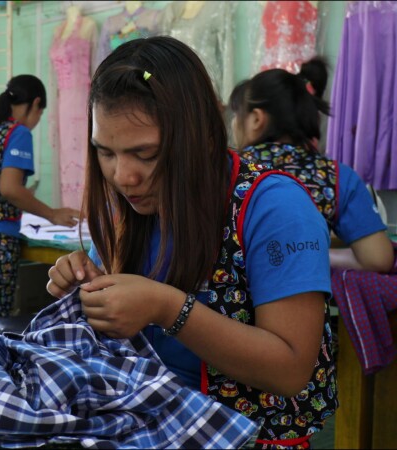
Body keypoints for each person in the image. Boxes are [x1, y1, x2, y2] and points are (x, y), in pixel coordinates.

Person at [46, 36, 336, 448]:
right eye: (105, 153)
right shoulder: (132, 208)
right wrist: (88, 288)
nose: (123, 175)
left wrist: (168, 307)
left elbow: (290, 370)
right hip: (147, 425)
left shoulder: (275, 208)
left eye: (145, 154)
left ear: (196, 135)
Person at [229, 58, 395, 273]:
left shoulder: (229, 169)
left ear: (256, 119)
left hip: (225, 304)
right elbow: (378, 259)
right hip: (305, 300)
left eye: (236, 115)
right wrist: (314, 253)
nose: (233, 123)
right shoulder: (335, 176)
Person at [0, 74, 80, 334]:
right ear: (35, 104)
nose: (35, 122)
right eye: (39, 114)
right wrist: (52, 214)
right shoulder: (18, 132)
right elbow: (9, 189)